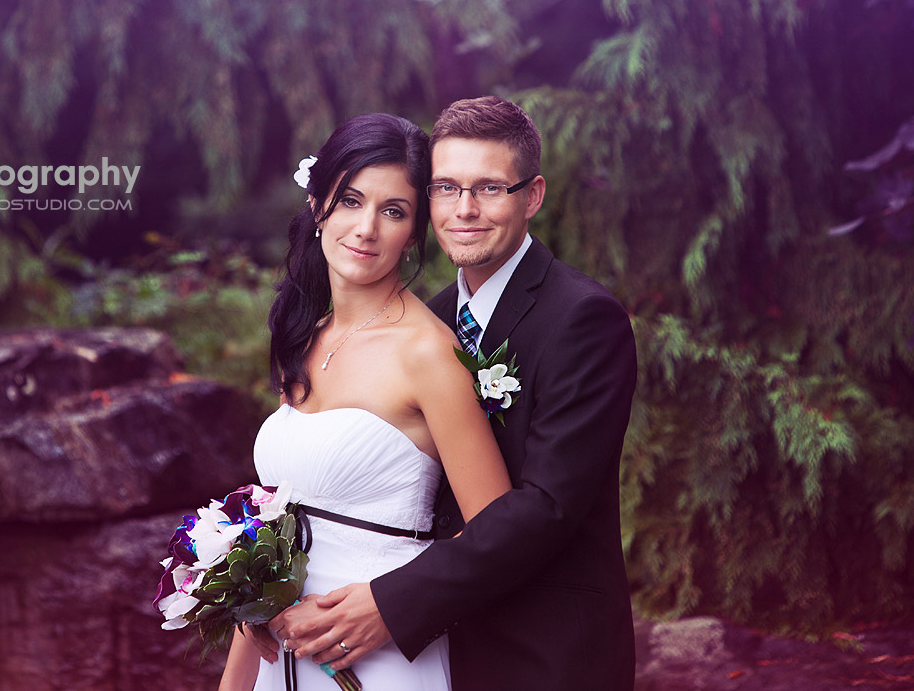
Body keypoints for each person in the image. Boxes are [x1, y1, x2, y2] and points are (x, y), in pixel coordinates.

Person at [269, 96, 638, 689]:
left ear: (532, 196)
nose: (465, 209)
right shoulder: (434, 319)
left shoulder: (582, 319)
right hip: (435, 642)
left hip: (542, 651)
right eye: (446, 188)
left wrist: (390, 603)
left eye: (490, 188)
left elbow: (548, 507)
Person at [218, 113, 512, 691]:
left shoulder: (428, 354)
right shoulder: (305, 335)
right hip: (279, 653)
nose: (367, 228)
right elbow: (274, 529)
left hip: (376, 654)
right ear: (317, 203)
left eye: (394, 210)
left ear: (414, 231)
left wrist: (383, 608)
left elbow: (496, 533)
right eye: (350, 200)